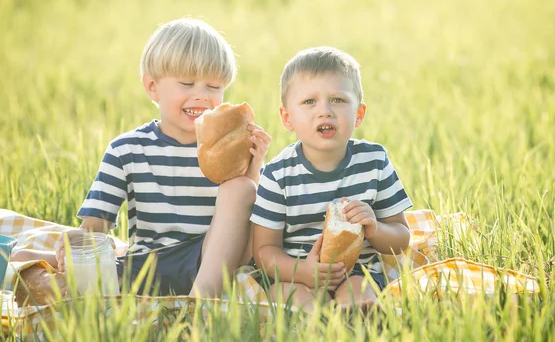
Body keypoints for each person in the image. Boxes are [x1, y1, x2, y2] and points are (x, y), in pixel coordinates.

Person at [12, 18, 271, 298]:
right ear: (152, 88)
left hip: (209, 260)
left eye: (213, 86)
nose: (201, 96)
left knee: (241, 188)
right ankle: (36, 268)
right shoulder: (127, 149)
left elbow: (247, 221)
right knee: (44, 264)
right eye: (187, 83)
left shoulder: (227, 149)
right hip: (145, 266)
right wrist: (77, 245)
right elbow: (96, 226)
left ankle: (200, 303)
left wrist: (252, 170)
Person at [251, 47, 411, 311]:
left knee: (358, 289)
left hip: (358, 270)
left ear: (359, 113)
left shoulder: (374, 162)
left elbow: (401, 238)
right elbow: (264, 251)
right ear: (287, 118)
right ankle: (317, 321)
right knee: (288, 294)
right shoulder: (278, 175)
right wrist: (303, 272)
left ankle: (357, 317)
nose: (324, 111)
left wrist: (375, 228)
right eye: (309, 102)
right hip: (297, 273)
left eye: (337, 100)